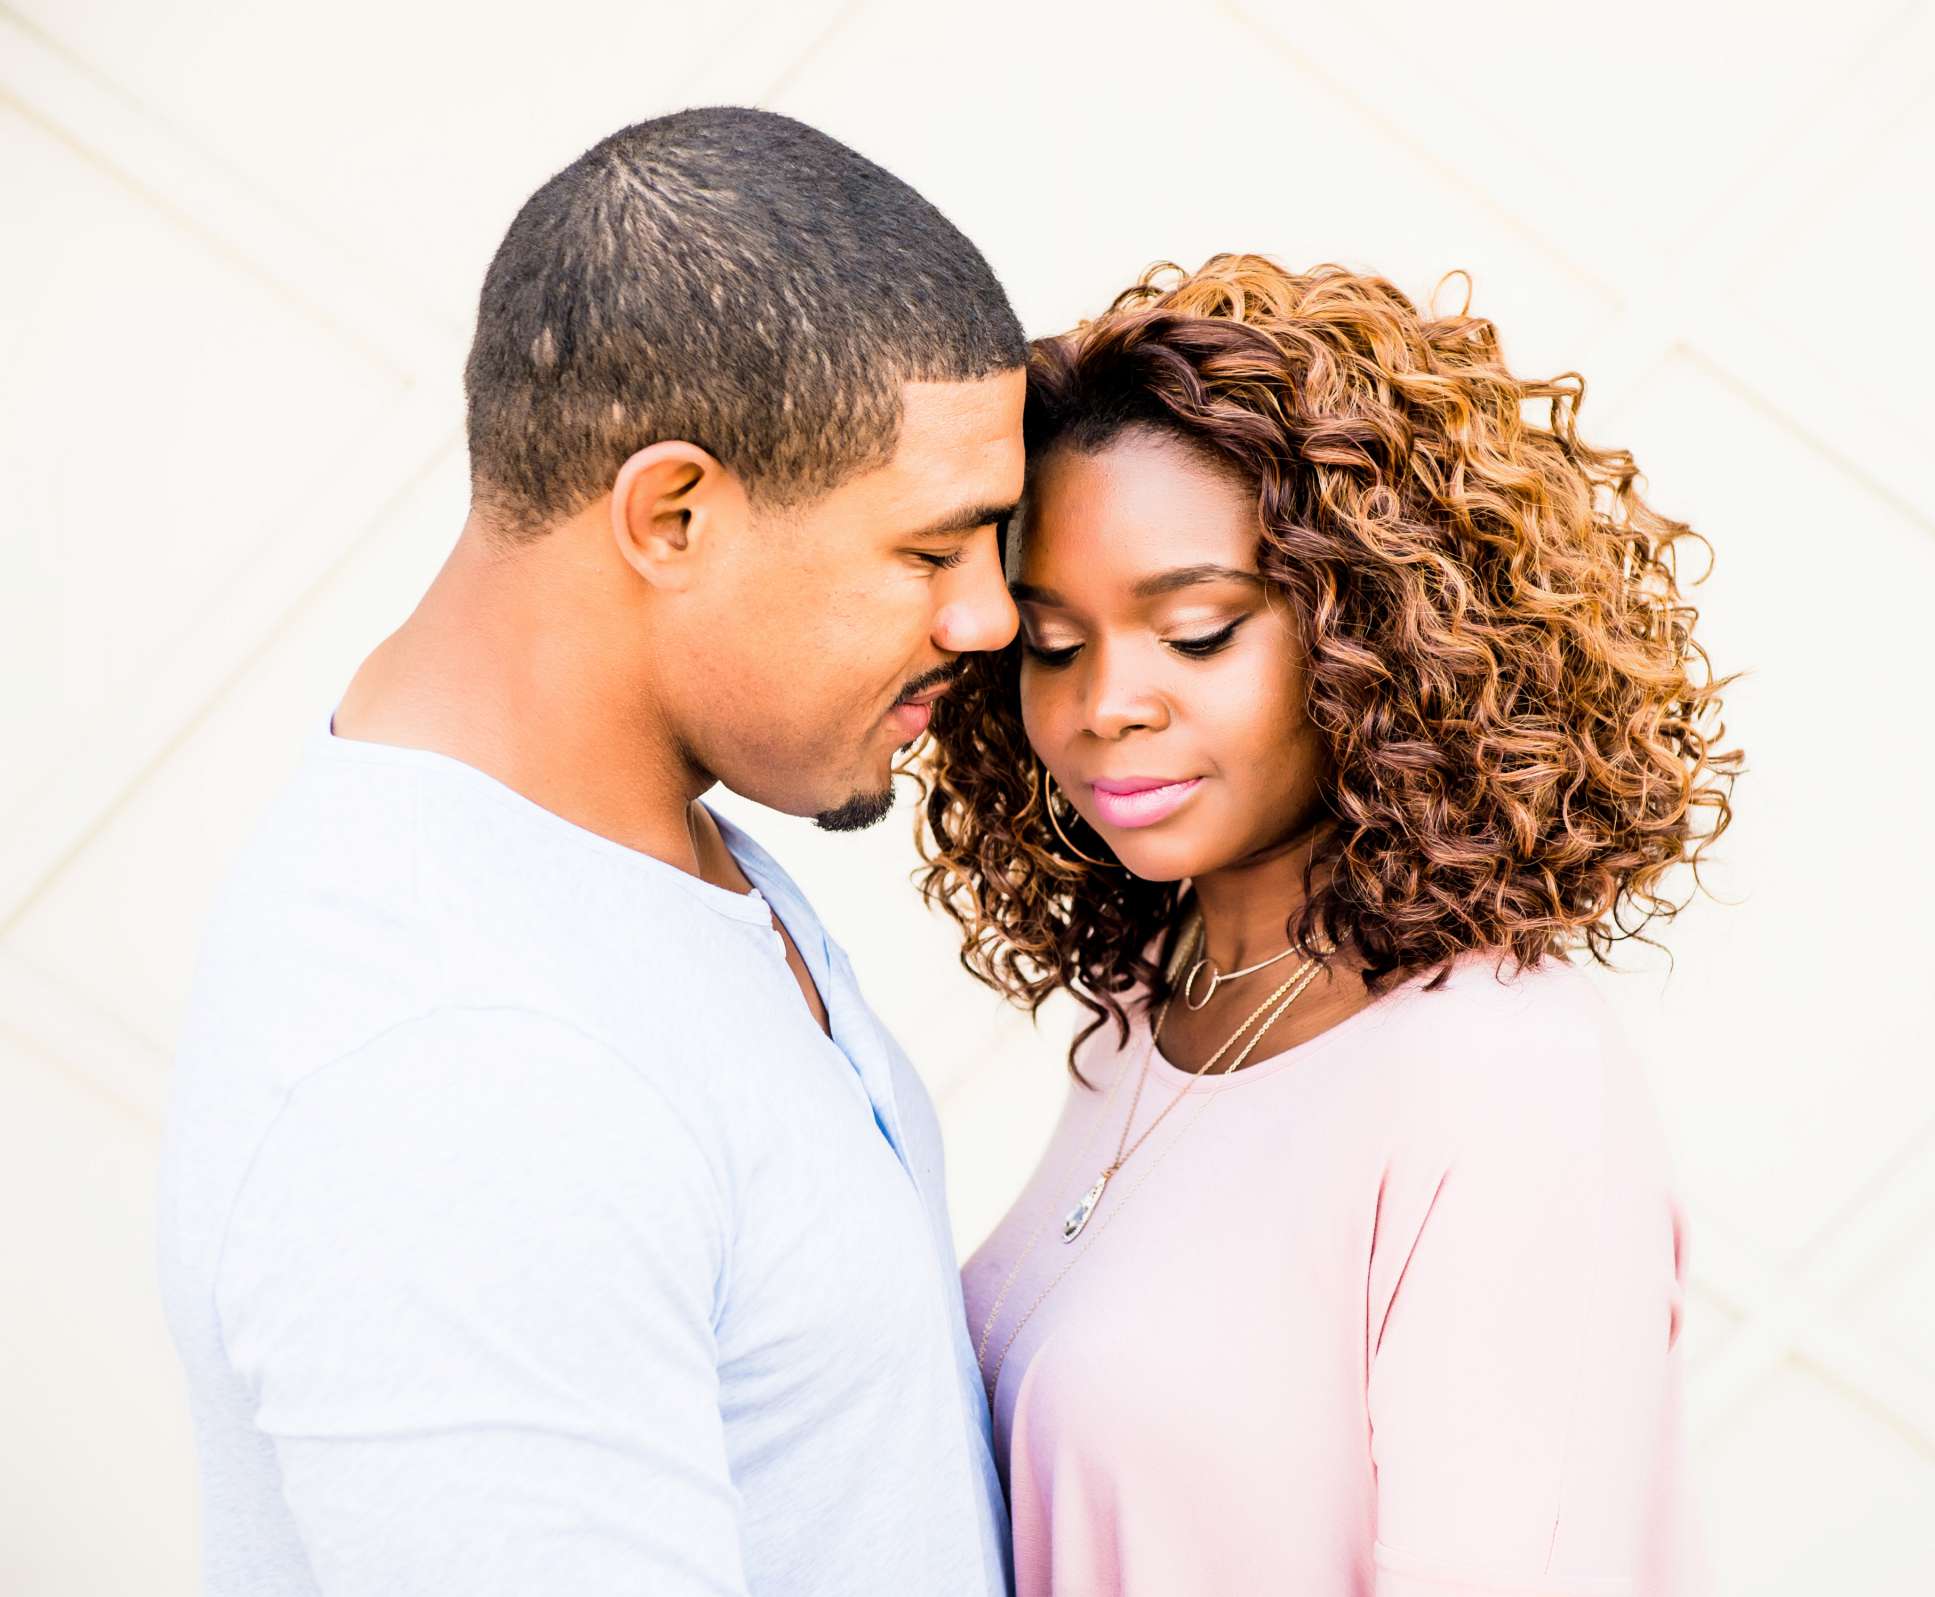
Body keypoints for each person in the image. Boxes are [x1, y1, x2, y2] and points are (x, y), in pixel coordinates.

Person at [157, 108, 1026, 1597]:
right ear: (671, 515)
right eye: (933, 550)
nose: (993, 618)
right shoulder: (460, 1069)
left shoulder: (646, 859)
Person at [917, 255, 1740, 1596]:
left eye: (1195, 632)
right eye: (1053, 643)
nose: (1103, 701)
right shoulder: (1154, 1008)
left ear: (1369, 634)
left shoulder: (1498, 1075)